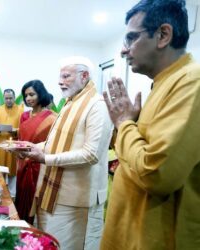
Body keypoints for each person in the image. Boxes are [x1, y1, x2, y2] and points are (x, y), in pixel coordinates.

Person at [101, 1, 200, 249]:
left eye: (132, 38)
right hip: (132, 230)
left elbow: (157, 174)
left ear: (163, 35)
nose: (124, 51)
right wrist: (130, 122)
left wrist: (124, 124)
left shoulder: (192, 83)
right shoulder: (165, 82)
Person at [17, 57, 113, 249]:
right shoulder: (70, 103)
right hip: (51, 192)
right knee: (48, 243)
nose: (60, 81)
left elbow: (91, 154)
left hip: (77, 200)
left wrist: (45, 158)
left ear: (84, 76)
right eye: (60, 76)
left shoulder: (97, 105)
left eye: (66, 76)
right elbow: (54, 143)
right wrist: (31, 148)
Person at [15, 80, 56, 224]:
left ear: (41, 94)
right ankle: (20, 227)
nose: (28, 99)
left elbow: (51, 144)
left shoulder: (52, 118)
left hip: (39, 165)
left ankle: (33, 232)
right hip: (22, 163)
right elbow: (20, 140)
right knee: (21, 197)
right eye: (26, 96)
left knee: (35, 202)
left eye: (32, 94)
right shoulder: (24, 116)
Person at [0, 89, 23, 197]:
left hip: (13, 144)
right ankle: (0, 192)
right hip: (0, 143)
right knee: (0, 169)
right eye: (6, 98)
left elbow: (24, 126)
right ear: (4, 98)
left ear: (14, 98)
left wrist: (15, 131)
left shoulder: (20, 110)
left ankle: (13, 195)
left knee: (13, 169)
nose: (8, 100)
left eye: (11, 98)